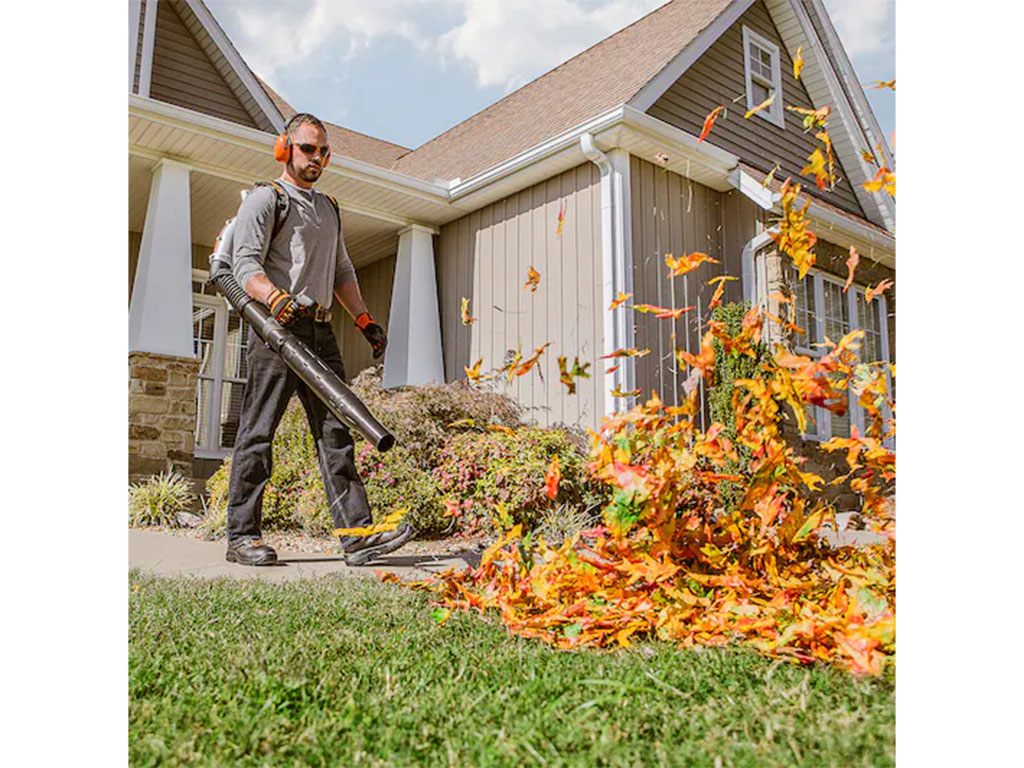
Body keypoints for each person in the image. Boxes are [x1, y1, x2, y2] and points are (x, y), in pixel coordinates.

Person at [224, 112, 415, 567]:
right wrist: (275, 299)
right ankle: (241, 535)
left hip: (321, 329)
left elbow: (342, 271)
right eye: (309, 149)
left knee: (336, 433)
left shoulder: (328, 206)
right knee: (258, 432)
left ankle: (356, 537)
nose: (318, 159)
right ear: (284, 148)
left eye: (324, 151)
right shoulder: (265, 199)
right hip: (277, 331)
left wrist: (365, 320)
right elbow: (243, 265)